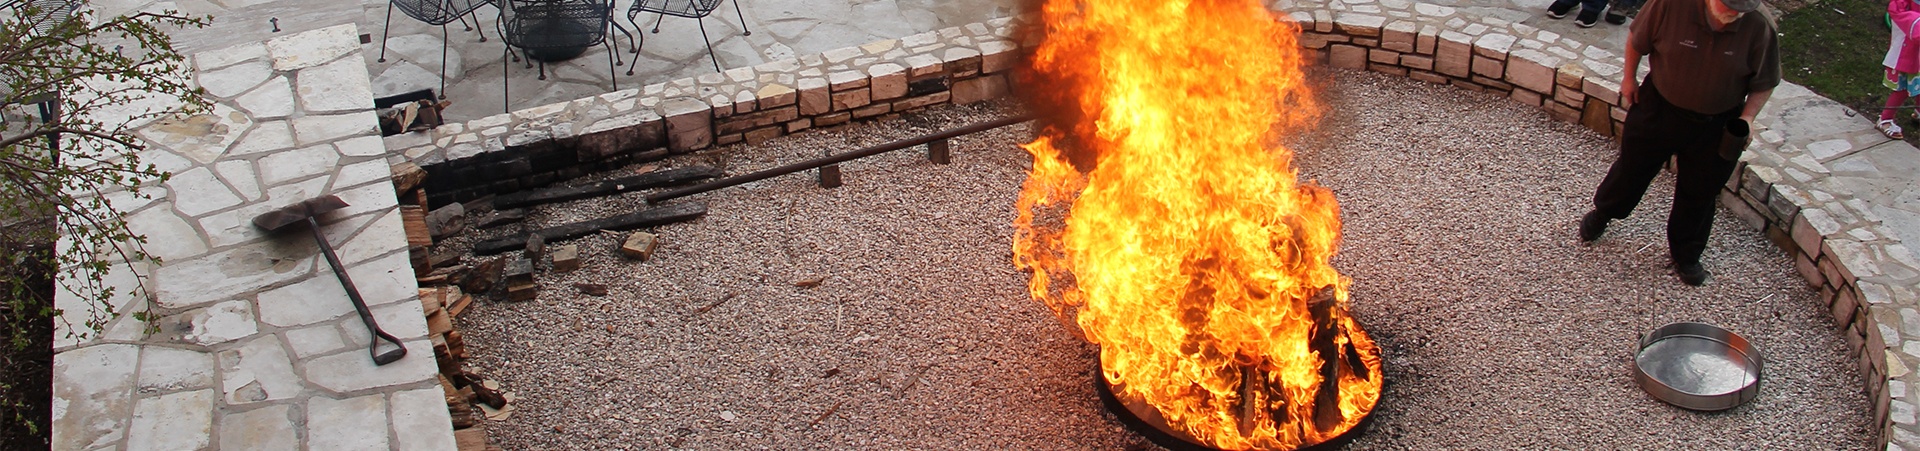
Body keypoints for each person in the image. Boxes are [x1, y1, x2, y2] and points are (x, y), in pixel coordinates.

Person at [1578, 0, 1781, 286]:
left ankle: (1686, 253)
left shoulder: (1760, 26)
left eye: (1741, 7)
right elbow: (1638, 40)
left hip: (1717, 122)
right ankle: (1604, 213)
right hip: (1659, 106)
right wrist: (1628, 78)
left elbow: (1765, 81)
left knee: (1701, 190)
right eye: (1729, 4)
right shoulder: (1669, 4)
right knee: (1632, 169)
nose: (1734, 12)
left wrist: (1747, 118)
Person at [1879, 0, 1920, 139]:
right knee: (1901, 89)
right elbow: (1911, 24)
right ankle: (1885, 119)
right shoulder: (1900, 4)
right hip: (1907, 54)